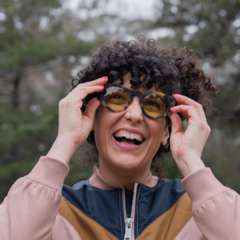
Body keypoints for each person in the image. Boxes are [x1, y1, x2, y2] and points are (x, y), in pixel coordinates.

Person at [0, 36, 239, 240]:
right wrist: (63, 142)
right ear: (91, 118)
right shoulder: (53, 211)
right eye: (116, 97)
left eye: (153, 104)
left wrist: (192, 164)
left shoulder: (199, 211)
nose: (134, 115)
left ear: (166, 131)